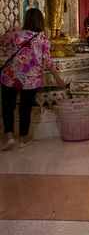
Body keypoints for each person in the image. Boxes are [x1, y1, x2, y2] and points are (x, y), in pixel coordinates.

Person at [1, 9, 66, 150]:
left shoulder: (15, 34)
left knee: (8, 107)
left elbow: (1, 42)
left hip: (11, 76)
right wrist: (57, 77)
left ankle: (9, 136)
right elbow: (47, 61)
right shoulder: (42, 40)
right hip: (31, 79)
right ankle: (23, 139)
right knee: (25, 109)